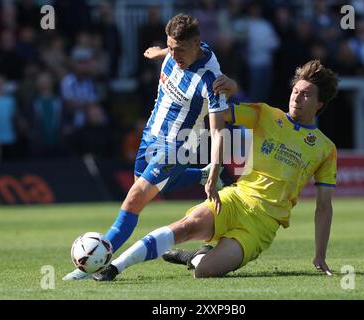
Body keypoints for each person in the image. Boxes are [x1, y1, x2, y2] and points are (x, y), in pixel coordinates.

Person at [94, 59, 339, 281]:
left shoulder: (325, 149)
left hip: (263, 224)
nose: (296, 97)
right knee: (185, 226)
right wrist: (228, 86)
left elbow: (324, 207)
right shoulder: (266, 114)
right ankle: (114, 267)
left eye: (306, 95)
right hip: (234, 198)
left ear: (320, 103)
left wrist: (319, 256)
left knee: (205, 272)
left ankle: (195, 257)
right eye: (295, 91)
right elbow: (217, 112)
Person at [63, 13, 237, 280]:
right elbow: (171, 50)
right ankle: (198, 174)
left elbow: (218, 132)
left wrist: (215, 174)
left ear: (196, 43)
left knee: (134, 199)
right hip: (151, 134)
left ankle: (94, 262)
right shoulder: (177, 50)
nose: (174, 55)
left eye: (179, 50)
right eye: (171, 47)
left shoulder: (211, 80)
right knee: (143, 184)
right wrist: (160, 52)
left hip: (178, 146)